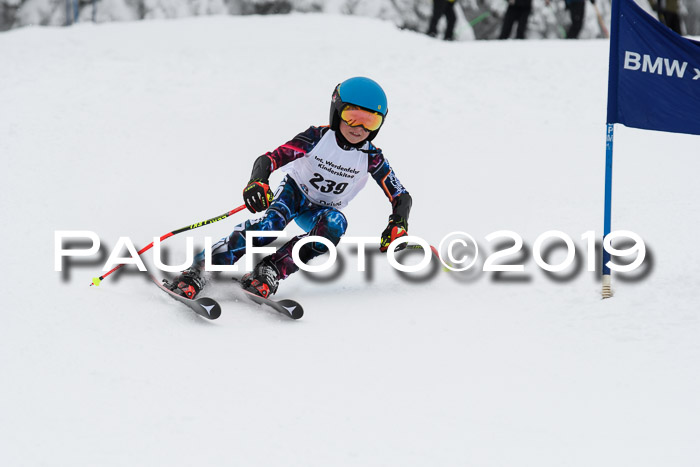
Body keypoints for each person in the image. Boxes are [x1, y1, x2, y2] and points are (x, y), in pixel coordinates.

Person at [168, 77, 412, 299]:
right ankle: (200, 270)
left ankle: (270, 269)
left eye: (370, 121)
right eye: (352, 116)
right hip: (294, 193)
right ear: (337, 111)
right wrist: (258, 181)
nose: (359, 128)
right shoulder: (317, 137)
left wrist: (398, 223)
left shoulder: (372, 157)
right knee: (268, 228)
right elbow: (269, 159)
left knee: (335, 225)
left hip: (321, 211)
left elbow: (400, 195)